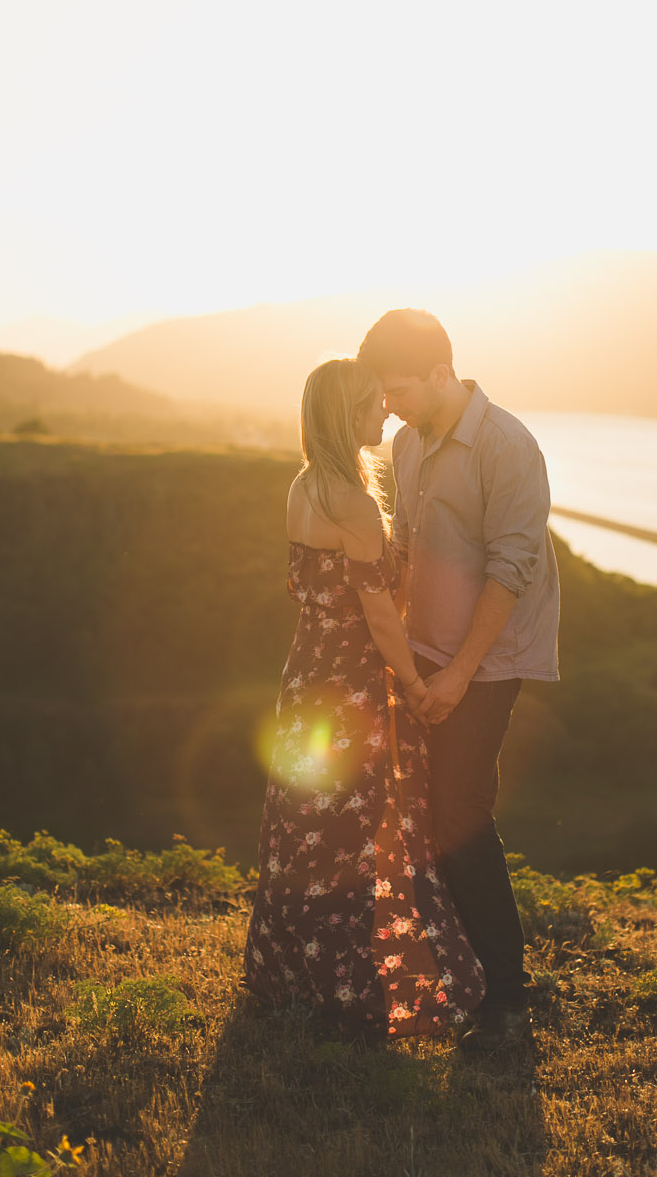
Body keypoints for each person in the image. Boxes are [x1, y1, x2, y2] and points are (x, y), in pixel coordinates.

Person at [242, 357, 485, 1040]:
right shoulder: (350, 499)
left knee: (304, 825)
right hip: (347, 681)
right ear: (350, 414)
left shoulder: (305, 486)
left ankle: (290, 973)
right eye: (375, 403)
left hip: (306, 673)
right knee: (349, 831)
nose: (386, 411)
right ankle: (345, 987)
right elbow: (379, 616)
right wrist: (415, 684)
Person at [357, 309, 560, 1054]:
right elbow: (409, 548)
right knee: (428, 815)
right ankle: (466, 975)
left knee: (459, 814)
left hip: (487, 662)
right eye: (382, 394)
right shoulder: (408, 442)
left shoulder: (507, 445)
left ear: (442, 373)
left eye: (399, 389)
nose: (389, 407)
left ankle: (506, 995)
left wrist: (460, 676)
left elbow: (512, 569)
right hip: (427, 656)